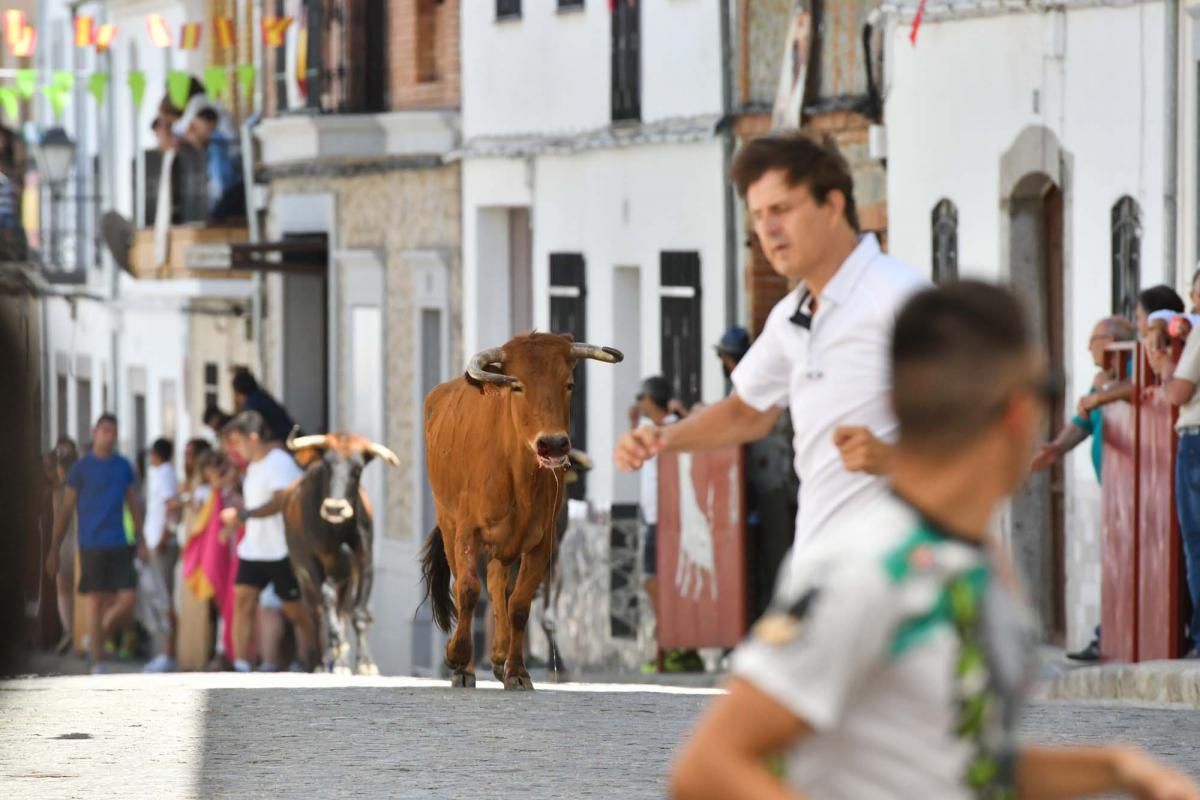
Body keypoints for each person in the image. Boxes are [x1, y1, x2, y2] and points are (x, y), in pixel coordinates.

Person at [670, 281, 1200, 800]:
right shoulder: (870, 564)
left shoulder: (973, 563)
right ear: (1018, 411)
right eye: (1047, 391)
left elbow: (960, 765)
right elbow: (709, 765)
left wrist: (1117, 770)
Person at [615, 131, 926, 596]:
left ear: (833, 204)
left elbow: (985, 441)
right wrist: (663, 438)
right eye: (758, 216)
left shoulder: (901, 300)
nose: (768, 230)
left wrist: (891, 460)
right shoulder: (791, 317)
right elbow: (746, 412)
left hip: (897, 579)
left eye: (782, 210)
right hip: (816, 572)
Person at [1031, 316, 1136, 661]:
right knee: (1114, 564)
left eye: (1093, 339)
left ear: (1110, 341)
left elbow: (1137, 392)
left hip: (1138, 490)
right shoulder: (1101, 380)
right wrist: (1055, 448)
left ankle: (1116, 637)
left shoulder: (1134, 366)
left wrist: (1098, 398)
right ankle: (1106, 637)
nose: (1088, 346)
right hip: (1111, 490)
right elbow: (1082, 424)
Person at [45, 414, 147, 673]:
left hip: (120, 541)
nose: (109, 435)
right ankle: (98, 661)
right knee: (95, 601)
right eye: (104, 430)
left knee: (128, 598)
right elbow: (66, 510)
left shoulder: (123, 466)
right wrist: (53, 549)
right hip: (91, 542)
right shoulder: (81, 468)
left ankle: (97, 637)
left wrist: (142, 539)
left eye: (113, 431)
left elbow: (133, 504)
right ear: (94, 432)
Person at [218, 410, 316, 671]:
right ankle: (241, 666)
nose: (235, 449)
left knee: (295, 611)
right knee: (242, 601)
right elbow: (255, 506)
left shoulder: (279, 462)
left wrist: (243, 515)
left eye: (237, 441)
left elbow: (281, 501)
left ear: (253, 437)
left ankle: (310, 657)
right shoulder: (253, 467)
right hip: (254, 549)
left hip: (281, 550)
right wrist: (237, 523)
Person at [629, 376, 697, 673]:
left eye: (640, 396)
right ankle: (672, 645)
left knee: (659, 581)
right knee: (656, 582)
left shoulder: (671, 425)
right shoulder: (652, 429)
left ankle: (674, 646)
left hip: (668, 518)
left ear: (650, 399)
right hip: (655, 516)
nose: (638, 402)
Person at [143, 438, 180, 673]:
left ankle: (168, 653)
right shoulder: (159, 472)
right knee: (159, 597)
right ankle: (164, 652)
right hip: (155, 543)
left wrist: (164, 537)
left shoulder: (165, 473)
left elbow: (170, 506)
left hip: (162, 545)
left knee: (165, 599)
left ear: (156, 454)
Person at [50, 442, 79, 655]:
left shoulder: (60, 491)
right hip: (80, 542)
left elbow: (59, 519)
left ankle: (70, 632)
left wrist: (52, 548)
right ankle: (74, 633)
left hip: (65, 542)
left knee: (64, 589)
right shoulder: (82, 486)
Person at [231, 370, 296, 444]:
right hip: (291, 435)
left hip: (284, 441)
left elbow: (254, 431)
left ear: (239, 393)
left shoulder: (252, 404)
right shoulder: (261, 396)